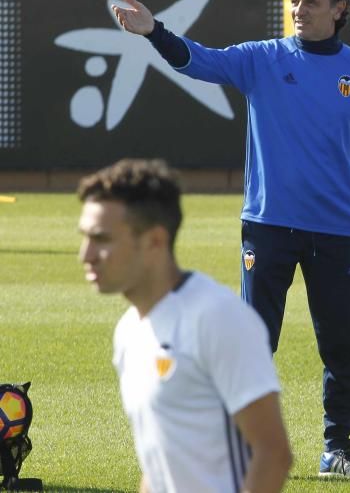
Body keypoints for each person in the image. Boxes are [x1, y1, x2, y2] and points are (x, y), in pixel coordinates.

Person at [111, 0, 350, 479]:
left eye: (311, 1)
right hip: (268, 225)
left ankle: (337, 448)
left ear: (340, 9)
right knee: (254, 339)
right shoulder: (263, 58)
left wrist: (336, 165)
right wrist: (155, 32)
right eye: (296, 0)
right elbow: (199, 62)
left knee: (340, 345)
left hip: (336, 227)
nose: (298, 8)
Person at [76, 159, 292, 493]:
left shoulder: (218, 317)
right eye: (85, 237)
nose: (86, 254)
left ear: (155, 241)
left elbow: (273, 453)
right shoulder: (129, 331)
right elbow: (160, 466)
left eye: (102, 239)